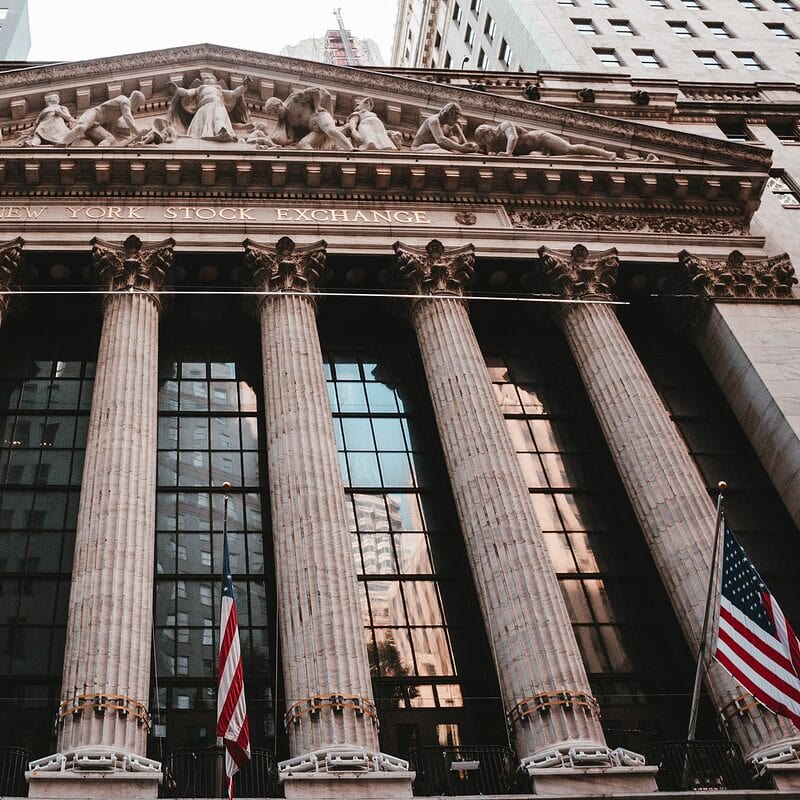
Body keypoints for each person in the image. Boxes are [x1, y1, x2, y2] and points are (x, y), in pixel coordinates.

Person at [167, 72, 251, 142]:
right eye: (206, 78)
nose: (209, 78)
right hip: (204, 107)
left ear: (216, 82)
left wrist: (245, 86)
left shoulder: (219, 90)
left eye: (211, 77)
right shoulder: (200, 89)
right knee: (203, 122)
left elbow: (234, 94)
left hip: (218, 105)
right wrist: (176, 89)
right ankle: (204, 135)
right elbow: (187, 93)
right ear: (203, 82)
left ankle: (222, 131)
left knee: (219, 118)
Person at [264, 87, 352, 151]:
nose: (277, 114)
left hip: (318, 117)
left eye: (276, 111)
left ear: (280, 103)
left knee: (331, 131)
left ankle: (351, 149)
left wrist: (317, 106)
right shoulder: (286, 122)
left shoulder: (294, 100)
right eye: (274, 114)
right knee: (302, 144)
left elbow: (316, 90)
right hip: (315, 130)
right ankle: (317, 163)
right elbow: (291, 138)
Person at [474, 121, 617, 159]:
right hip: (534, 151)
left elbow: (513, 137)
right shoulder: (491, 146)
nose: (485, 143)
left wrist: (508, 153)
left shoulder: (504, 126)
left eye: (484, 139)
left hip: (540, 139)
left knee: (569, 149)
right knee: (533, 157)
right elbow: (490, 157)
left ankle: (606, 154)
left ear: (488, 132)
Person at [61, 91, 145, 147]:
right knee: (81, 127)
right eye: (138, 104)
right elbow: (128, 117)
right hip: (93, 114)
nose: (136, 107)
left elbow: (117, 124)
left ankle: (99, 153)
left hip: (96, 125)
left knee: (110, 139)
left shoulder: (119, 112)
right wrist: (137, 131)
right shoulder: (125, 100)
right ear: (136, 100)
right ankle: (62, 143)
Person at [411, 102, 479, 153]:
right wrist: (461, 148)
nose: (456, 121)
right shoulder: (434, 121)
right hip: (419, 149)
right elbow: (440, 140)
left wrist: (468, 146)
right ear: (449, 114)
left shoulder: (447, 126)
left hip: (440, 148)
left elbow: (454, 142)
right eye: (455, 118)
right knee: (435, 147)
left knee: (454, 139)